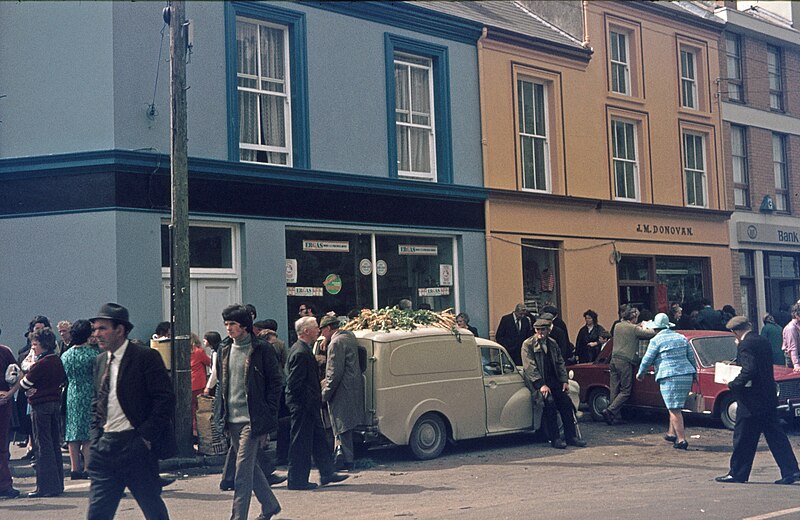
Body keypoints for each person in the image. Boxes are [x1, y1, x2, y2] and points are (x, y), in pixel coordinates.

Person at [86, 303, 176, 519]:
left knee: (152, 508)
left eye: (103, 328)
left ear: (120, 330)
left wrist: (145, 436)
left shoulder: (144, 357)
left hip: (135, 447)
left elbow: (165, 399)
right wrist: (95, 438)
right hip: (105, 448)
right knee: (98, 513)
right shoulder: (100, 361)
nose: (97, 334)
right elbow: (96, 402)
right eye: (95, 329)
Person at [715, 317, 800, 485]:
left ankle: (738, 473)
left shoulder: (745, 344)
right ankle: (791, 470)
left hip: (751, 400)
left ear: (735, 331)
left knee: (743, 437)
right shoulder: (762, 340)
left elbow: (749, 369)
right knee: (776, 436)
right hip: (767, 396)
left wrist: (734, 384)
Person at [216, 304, 282, 520]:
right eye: (226, 324)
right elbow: (221, 384)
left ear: (244, 325)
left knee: (242, 472)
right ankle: (270, 505)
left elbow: (275, 384)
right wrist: (219, 415)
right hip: (232, 419)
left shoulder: (261, 349)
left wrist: (268, 416)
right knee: (251, 468)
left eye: (232, 324)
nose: (228, 328)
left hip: (252, 420)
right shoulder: (224, 350)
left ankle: (238, 517)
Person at [1, 327, 66, 497]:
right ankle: (57, 484)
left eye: (35, 344)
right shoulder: (57, 360)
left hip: (41, 406)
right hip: (54, 404)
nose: (33, 348)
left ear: (43, 345)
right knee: (54, 445)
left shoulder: (40, 364)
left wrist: (30, 385)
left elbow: (24, 384)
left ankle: (45, 487)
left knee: (42, 446)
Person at [285, 316, 349, 490]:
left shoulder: (302, 349)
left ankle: (327, 472)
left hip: (310, 404)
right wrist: (308, 401)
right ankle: (297, 480)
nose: (318, 331)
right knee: (301, 443)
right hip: (303, 406)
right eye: (315, 328)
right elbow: (294, 384)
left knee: (318, 439)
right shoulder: (300, 352)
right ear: (306, 331)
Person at [521, 317, 585, 449]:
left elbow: (560, 362)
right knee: (549, 406)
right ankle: (555, 438)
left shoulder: (552, 343)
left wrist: (564, 380)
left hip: (554, 380)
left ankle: (571, 437)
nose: (540, 332)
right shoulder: (528, 344)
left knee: (566, 404)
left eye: (543, 329)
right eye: (538, 330)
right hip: (539, 382)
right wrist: (540, 384)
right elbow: (530, 367)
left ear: (548, 330)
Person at [635, 313, 696, 450]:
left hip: (669, 375)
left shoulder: (656, 340)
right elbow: (691, 357)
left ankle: (681, 440)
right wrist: (695, 374)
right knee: (674, 406)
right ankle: (671, 433)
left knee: (674, 409)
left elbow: (647, 359)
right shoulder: (681, 337)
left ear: (656, 328)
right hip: (686, 374)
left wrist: (640, 373)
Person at [319, 315, 364, 472]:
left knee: (341, 425)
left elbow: (333, 373)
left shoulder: (336, 343)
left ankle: (346, 460)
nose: (321, 335)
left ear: (328, 328)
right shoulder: (349, 336)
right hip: (352, 387)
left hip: (341, 389)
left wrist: (325, 394)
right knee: (346, 425)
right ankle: (345, 458)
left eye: (323, 331)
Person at [60, 319, 101, 480]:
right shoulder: (93, 354)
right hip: (89, 391)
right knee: (88, 433)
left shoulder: (66, 355)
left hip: (72, 392)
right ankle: (87, 467)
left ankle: (74, 468)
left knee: (72, 431)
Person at [603, 308, 655, 425]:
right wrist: (648, 327)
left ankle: (614, 416)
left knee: (614, 388)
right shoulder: (634, 329)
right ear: (634, 318)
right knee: (625, 390)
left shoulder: (618, 326)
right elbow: (650, 334)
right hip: (625, 361)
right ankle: (610, 411)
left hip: (613, 359)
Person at [0, 338, 20, 499]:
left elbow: (18, 375)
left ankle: (5, 485)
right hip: (3, 403)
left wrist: (9, 393)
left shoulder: (5, 352)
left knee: (2, 447)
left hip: (3, 404)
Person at [190, 333, 211, 439]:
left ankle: (192, 431)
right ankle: (197, 432)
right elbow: (209, 362)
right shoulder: (199, 352)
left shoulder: (181, 352)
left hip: (187, 384)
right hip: (198, 384)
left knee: (191, 409)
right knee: (198, 409)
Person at [781, 303, 800, 370]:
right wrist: (796, 364)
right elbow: (793, 347)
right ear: (797, 315)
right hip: (793, 357)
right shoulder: (791, 328)